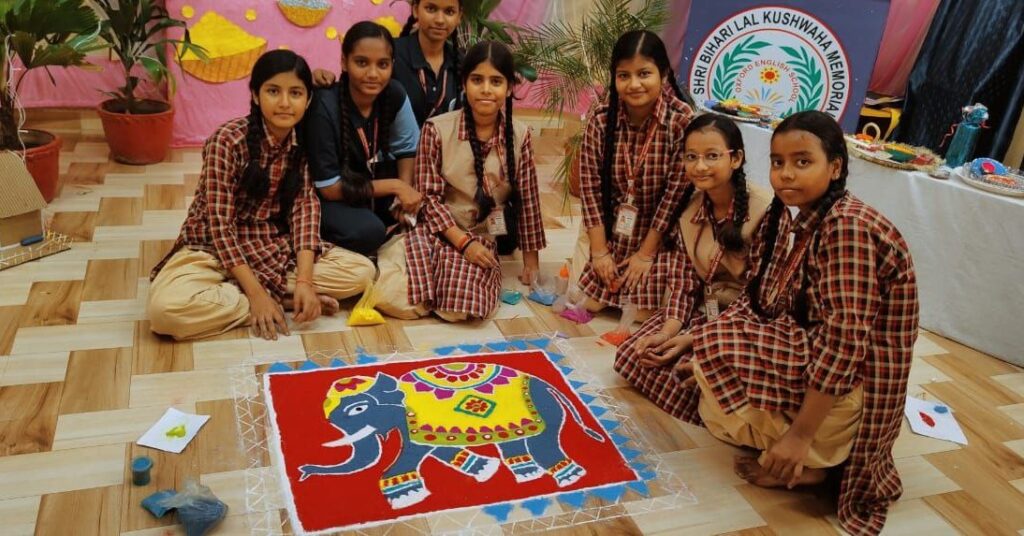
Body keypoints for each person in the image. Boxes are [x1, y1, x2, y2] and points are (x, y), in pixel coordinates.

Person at [649, 111, 919, 535]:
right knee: (705, 344)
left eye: (802, 161)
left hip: (855, 382)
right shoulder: (802, 218)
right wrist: (691, 337)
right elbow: (764, 301)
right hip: (807, 349)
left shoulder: (846, 227)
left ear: (835, 167)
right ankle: (792, 441)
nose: (786, 174)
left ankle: (809, 453)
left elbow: (843, 345)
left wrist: (799, 437)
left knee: (717, 346)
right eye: (778, 162)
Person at [148, 50, 374, 341]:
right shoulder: (227, 140)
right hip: (211, 248)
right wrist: (256, 296)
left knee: (361, 272)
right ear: (255, 95)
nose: (284, 103)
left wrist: (305, 282)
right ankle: (273, 301)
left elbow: (305, 211)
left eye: (295, 93)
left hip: (270, 246)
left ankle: (260, 296)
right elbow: (220, 227)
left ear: (308, 100)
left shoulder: (303, 142)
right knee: (166, 312)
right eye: (273, 91)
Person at [613, 113, 778, 417]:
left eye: (712, 156)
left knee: (693, 379)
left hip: (745, 321)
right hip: (706, 309)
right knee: (633, 356)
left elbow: (761, 297)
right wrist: (668, 332)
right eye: (691, 157)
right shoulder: (690, 208)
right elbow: (684, 282)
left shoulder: (764, 211)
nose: (700, 166)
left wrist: (695, 339)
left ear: (736, 159)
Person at [373, 40, 545, 322]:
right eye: (477, 80)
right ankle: (410, 266)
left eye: (496, 81)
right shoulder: (436, 129)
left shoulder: (520, 135)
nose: (486, 89)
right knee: (398, 301)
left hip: (483, 235)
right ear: (464, 83)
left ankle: (437, 283)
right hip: (440, 230)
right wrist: (463, 244)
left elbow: (529, 200)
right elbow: (428, 199)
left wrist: (531, 263)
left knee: (459, 310)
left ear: (509, 88)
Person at [576, 30, 693, 319]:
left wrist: (645, 254)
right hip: (613, 226)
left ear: (663, 74)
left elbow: (673, 198)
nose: (634, 84)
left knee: (641, 314)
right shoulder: (601, 119)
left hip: (660, 232)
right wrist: (600, 252)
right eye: (623, 76)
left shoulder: (681, 122)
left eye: (644, 74)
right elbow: (590, 190)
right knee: (589, 304)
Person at [304, 21, 422, 257]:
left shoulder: (394, 93)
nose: (372, 74)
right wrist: (396, 186)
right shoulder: (324, 106)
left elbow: (408, 149)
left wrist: (404, 195)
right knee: (369, 232)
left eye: (382, 64)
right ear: (343, 62)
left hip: (365, 185)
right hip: (328, 197)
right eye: (361, 62)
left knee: (427, 210)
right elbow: (329, 189)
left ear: (392, 65)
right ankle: (309, 239)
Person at [313, 0, 463, 127]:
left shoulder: (464, 64)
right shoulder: (387, 56)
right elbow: (353, 87)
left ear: (459, 17)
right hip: (390, 149)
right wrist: (319, 79)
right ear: (416, 10)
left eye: (449, 12)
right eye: (431, 9)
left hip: (446, 152)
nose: (439, 19)